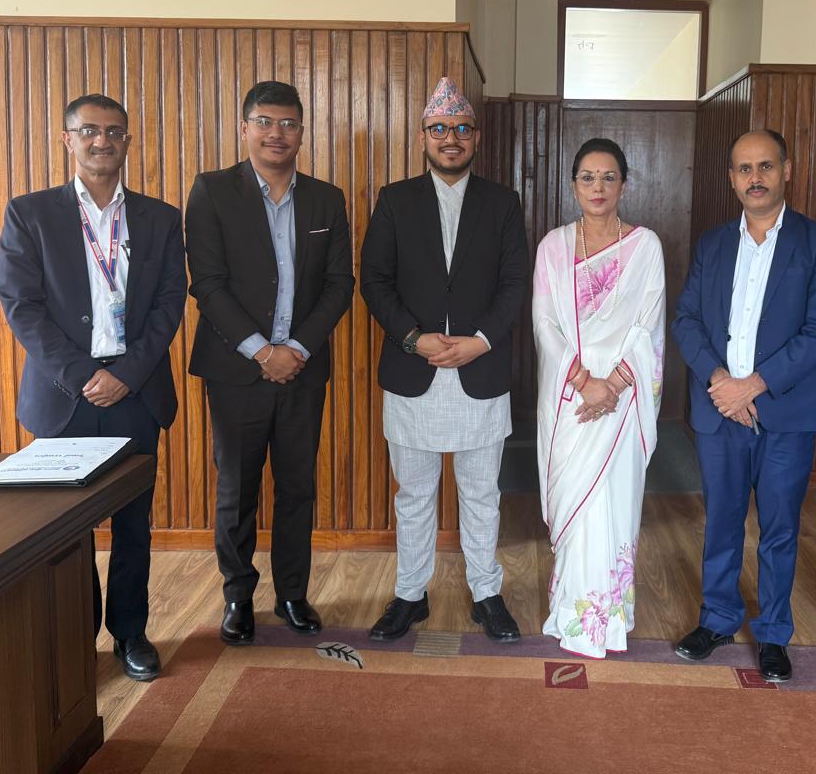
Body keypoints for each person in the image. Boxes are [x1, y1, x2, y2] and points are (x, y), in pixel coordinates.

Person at [0, 93, 186, 682]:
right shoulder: (30, 214)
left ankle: (130, 632)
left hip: (136, 391)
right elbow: (21, 306)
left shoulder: (159, 217)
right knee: (66, 529)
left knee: (133, 524)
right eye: (89, 131)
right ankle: (75, 638)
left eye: (114, 132)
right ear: (68, 139)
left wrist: (125, 374)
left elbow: (170, 303)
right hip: (65, 396)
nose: (102, 141)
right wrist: (83, 376)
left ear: (127, 141)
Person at [670, 129, 816, 682]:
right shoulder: (713, 244)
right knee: (721, 520)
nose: (755, 178)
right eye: (744, 169)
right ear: (732, 179)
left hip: (785, 412)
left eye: (765, 166)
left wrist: (755, 385)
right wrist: (720, 380)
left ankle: (772, 633)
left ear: (785, 170)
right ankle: (718, 619)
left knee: (779, 527)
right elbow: (686, 321)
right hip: (719, 409)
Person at [185, 80, 353, 646]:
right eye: (264, 121)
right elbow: (207, 284)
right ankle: (238, 596)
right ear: (244, 128)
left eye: (288, 123)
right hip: (237, 370)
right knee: (237, 488)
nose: (276, 133)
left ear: (302, 132)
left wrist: (296, 350)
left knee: (298, 486)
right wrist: (261, 351)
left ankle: (292, 594)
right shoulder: (212, 191)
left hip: (302, 369)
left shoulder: (326, 199)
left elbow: (340, 284)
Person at [360, 76, 528, 643]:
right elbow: (375, 280)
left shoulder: (502, 203)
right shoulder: (395, 200)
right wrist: (414, 338)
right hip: (415, 371)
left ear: (476, 137)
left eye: (460, 129)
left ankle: (486, 593)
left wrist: (481, 340)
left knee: (482, 494)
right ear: (423, 137)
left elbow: (514, 282)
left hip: (481, 369)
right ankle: (410, 594)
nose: (450, 138)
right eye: (439, 129)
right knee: (414, 495)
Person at [533, 137, 665, 658]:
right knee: (577, 506)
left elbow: (650, 324)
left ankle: (609, 620)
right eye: (588, 177)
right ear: (573, 186)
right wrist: (584, 381)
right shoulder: (553, 247)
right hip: (571, 401)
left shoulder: (645, 246)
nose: (598, 187)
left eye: (609, 177)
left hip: (623, 403)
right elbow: (545, 324)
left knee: (613, 504)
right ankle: (573, 616)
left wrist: (613, 384)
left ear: (624, 185)